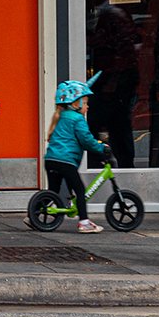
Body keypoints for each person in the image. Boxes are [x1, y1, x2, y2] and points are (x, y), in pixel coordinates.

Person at [83, 0, 140, 169]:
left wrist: (113, 81)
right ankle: (112, 162)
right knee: (113, 123)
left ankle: (117, 164)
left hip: (116, 79)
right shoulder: (106, 14)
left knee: (112, 122)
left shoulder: (112, 15)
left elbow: (124, 51)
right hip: (111, 77)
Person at [43, 78, 111, 234]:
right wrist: (102, 148)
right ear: (76, 104)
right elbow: (86, 140)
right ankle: (84, 222)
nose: (87, 106)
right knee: (79, 190)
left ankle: (36, 213)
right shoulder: (77, 119)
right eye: (85, 103)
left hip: (51, 160)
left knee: (53, 190)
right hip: (66, 161)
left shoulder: (61, 116)